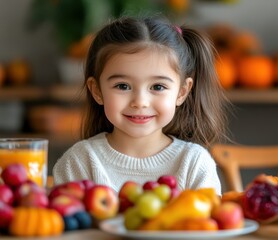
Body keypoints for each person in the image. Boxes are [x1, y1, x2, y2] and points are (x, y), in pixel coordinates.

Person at [53, 15, 231, 195]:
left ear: (182, 92)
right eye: (123, 86)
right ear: (97, 91)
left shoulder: (194, 163)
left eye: (158, 87)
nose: (140, 102)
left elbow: (208, 222)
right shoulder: (79, 161)